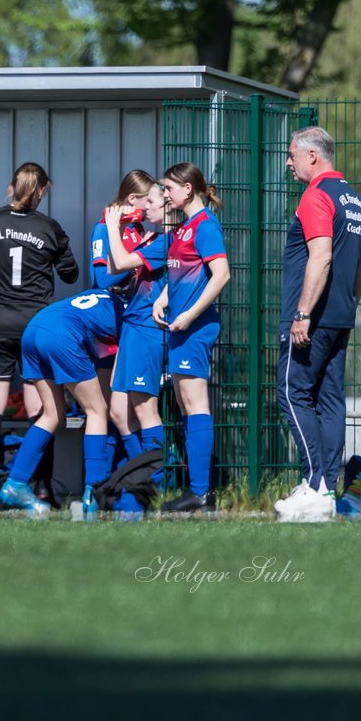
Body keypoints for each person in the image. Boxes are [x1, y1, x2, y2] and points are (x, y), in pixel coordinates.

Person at [0, 162, 79, 510]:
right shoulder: (49, 228)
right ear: (42, 190)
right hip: (34, 326)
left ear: (11, 186)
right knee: (42, 409)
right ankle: (42, 487)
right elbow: (72, 274)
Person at [274, 126, 361, 523]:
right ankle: (328, 488)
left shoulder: (317, 195)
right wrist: (347, 307)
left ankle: (314, 484)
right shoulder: (354, 198)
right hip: (341, 315)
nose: (288, 162)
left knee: (292, 394)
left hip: (312, 318)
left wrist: (303, 313)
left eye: (293, 155)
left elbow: (321, 257)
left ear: (313, 156)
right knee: (330, 400)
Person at [0, 288, 120, 517]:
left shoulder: (99, 295)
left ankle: (15, 483)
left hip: (35, 328)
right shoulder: (127, 311)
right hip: (60, 333)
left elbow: (101, 348)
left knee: (52, 413)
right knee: (97, 410)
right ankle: (94, 492)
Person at [152, 162, 230, 512]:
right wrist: (163, 298)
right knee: (185, 404)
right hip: (181, 328)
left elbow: (221, 275)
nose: (165, 194)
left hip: (194, 329)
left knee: (196, 404)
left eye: (169, 188)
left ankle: (201, 492)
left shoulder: (205, 226)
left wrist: (189, 315)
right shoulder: (184, 228)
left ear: (188, 189)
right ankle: (195, 489)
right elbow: (182, 272)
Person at [103, 180, 172, 512]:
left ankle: (155, 484)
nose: (146, 209)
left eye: (153, 203)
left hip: (147, 328)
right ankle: (143, 477)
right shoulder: (156, 238)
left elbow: (118, 262)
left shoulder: (166, 241)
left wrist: (113, 226)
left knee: (145, 410)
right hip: (132, 325)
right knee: (118, 412)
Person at [91, 170, 155, 475]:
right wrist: (134, 262)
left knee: (134, 410)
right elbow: (101, 279)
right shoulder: (105, 228)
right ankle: (108, 481)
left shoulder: (141, 229)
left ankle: (138, 476)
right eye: (147, 201)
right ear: (132, 200)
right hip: (109, 332)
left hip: (137, 326)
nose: (151, 207)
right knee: (110, 411)